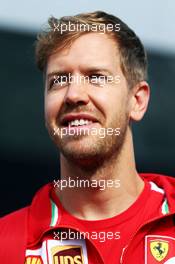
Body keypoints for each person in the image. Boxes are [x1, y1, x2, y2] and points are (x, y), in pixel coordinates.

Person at [0, 10, 175, 264]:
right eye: (58, 81)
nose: (73, 95)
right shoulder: (6, 245)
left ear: (137, 101)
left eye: (96, 77)